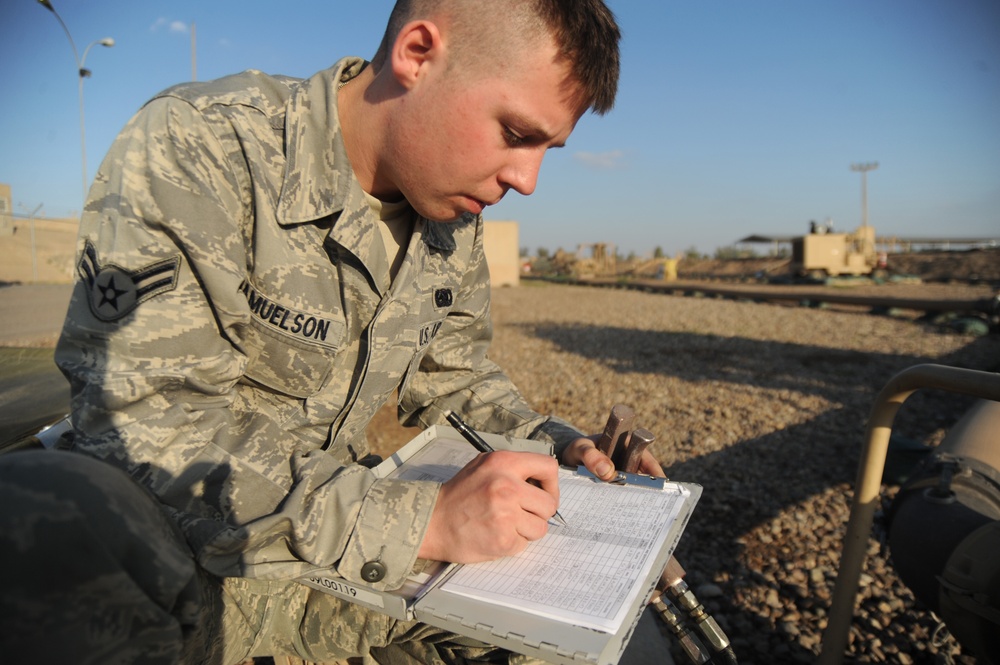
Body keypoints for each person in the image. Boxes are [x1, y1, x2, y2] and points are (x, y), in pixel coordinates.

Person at [0, 0, 663, 663]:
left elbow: (455, 379)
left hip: (337, 573)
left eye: (549, 148)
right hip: (189, 574)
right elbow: (146, 424)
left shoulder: (450, 220)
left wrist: (560, 449)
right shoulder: (202, 145)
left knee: (607, 639)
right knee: (48, 530)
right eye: (517, 133)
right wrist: (425, 520)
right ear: (417, 53)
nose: (527, 179)